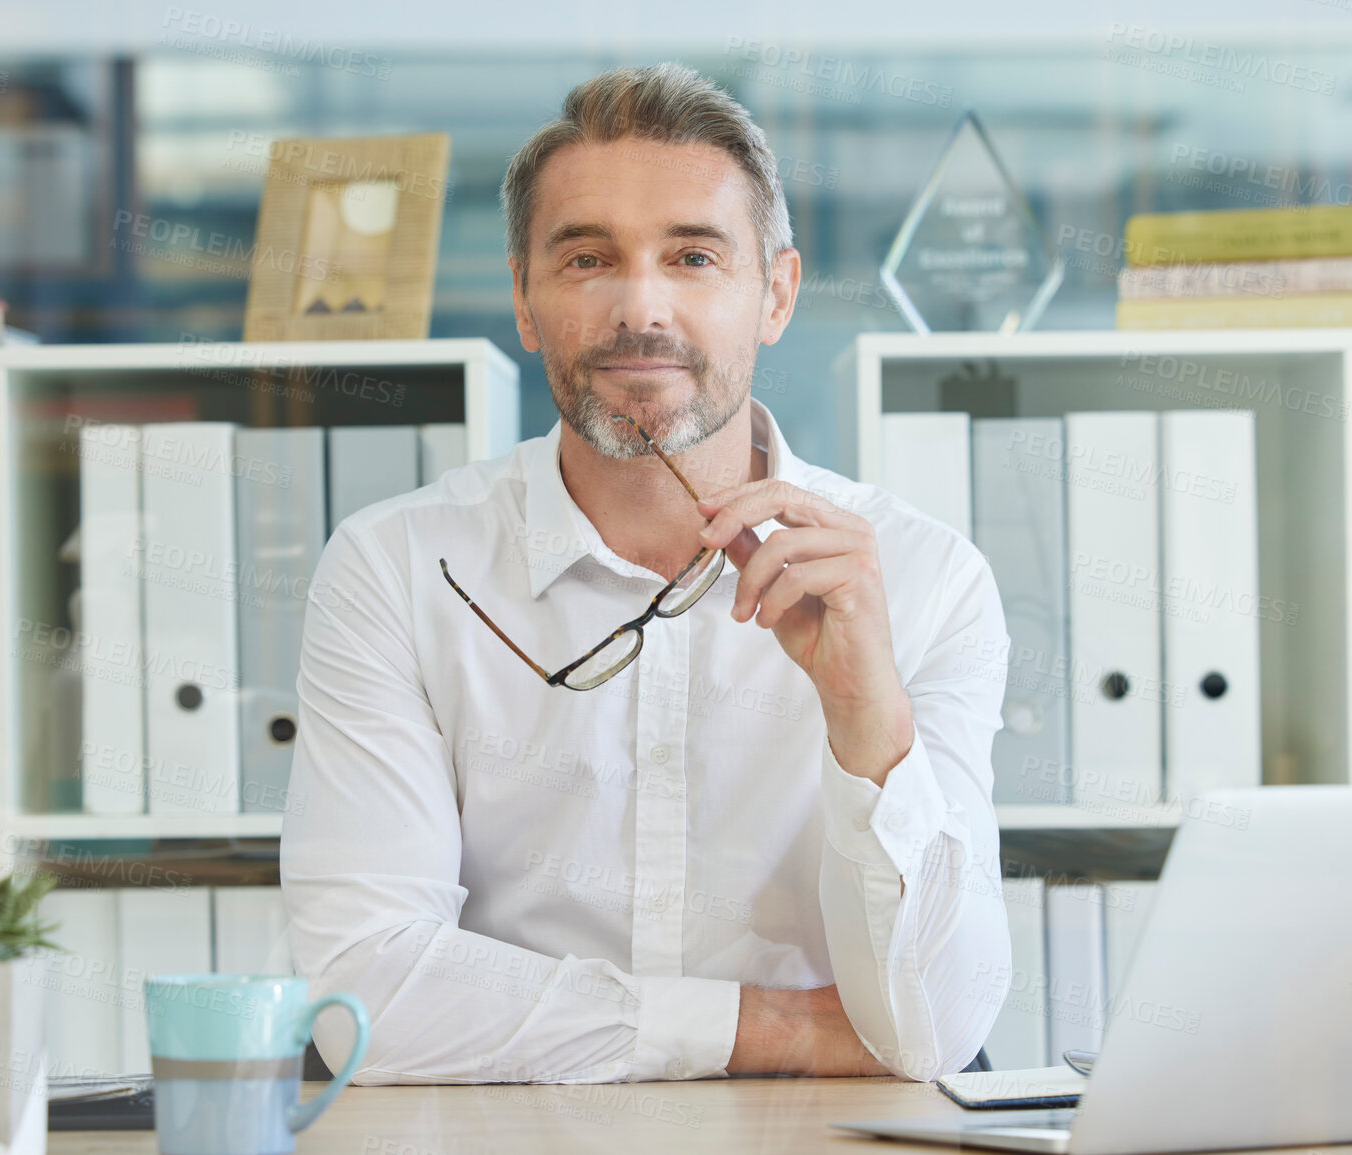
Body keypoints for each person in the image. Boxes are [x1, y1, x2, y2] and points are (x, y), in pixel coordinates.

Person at [282, 61, 1011, 1085]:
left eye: (694, 256)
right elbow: (363, 998)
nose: (640, 308)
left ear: (778, 294)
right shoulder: (399, 568)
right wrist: (782, 1030)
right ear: (526, 304)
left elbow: (937, 1024)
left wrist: (867, 719)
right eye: (587, 259)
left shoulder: (927, 579)